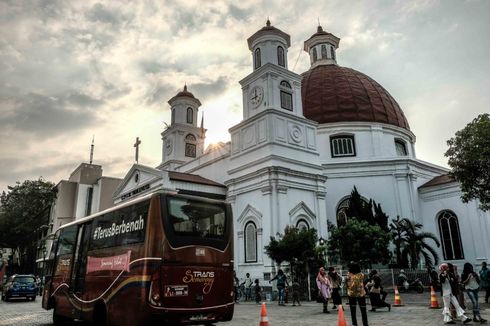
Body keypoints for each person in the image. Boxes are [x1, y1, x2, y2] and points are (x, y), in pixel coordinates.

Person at [346, 262, 369, 326]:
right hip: (361, 293)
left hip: (351, 294)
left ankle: (354, 324)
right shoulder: (361, 275)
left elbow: (348, 283)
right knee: (363, 310)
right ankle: (365, 324)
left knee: (353, 311)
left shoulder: (349, 274)